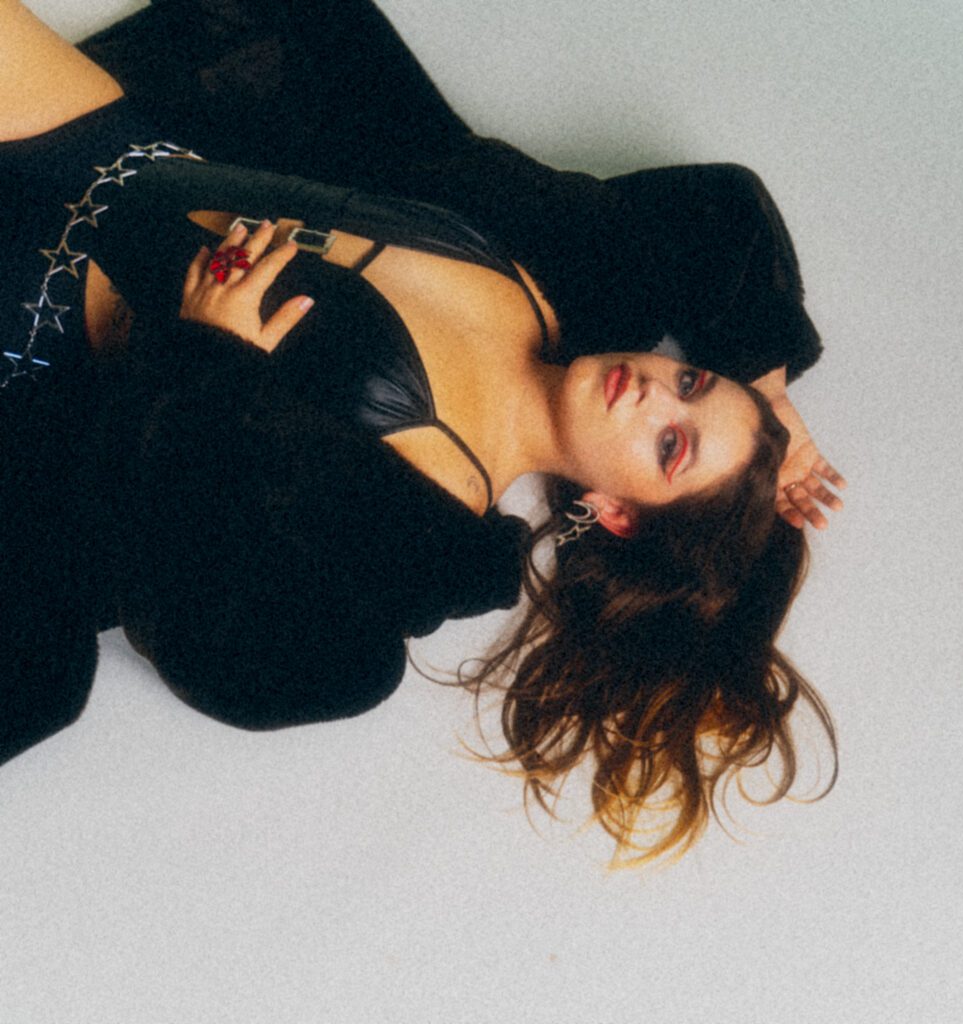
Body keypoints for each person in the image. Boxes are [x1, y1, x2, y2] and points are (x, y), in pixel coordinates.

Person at [0, 0, 843, 862]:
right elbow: (721, 210)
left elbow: (232, 658)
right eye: (693, 383)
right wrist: (768, 388)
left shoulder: (424, 527)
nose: (657, 393)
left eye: (672, 445)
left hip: (29, 334)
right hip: (96, 149)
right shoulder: (564, 273)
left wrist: (211, 359)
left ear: (617, 512)